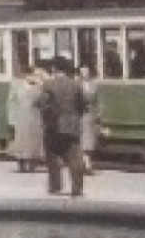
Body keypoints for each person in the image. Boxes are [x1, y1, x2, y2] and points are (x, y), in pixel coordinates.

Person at [37, 56, 87, 197]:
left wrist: (46, 119)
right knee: (75, 157)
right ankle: (77, 188)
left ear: (54, 68)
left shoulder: (48, 85)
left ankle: (55, 185)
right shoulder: (76, 84)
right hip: (72, 124)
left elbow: (43, 104)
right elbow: (82, 104)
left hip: (54, 125)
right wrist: (76, 116)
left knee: (52, 156)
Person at [7, 65, 45, 172]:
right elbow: (11, 102)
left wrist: (41, 85)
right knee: (21, 141)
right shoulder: (16, 86)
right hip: (21, 117)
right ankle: (21, 164)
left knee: (34, 142)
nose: (34, 77)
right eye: (33, 75)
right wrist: (11, 118)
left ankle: (32, 164)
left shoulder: (39, 87)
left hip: (35, 118)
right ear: (27, 75)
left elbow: (43, 102)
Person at [79, 64, 102, 174]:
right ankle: (87, 165)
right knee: (84, 141)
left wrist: (99, 115)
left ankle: (86, 163)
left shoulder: (94, 85)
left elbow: (98, 101)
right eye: (83, 72)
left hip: (90, 116)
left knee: (88, 141)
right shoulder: (77, 85)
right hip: (80, 115)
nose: (85, 74)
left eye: (86, 72)